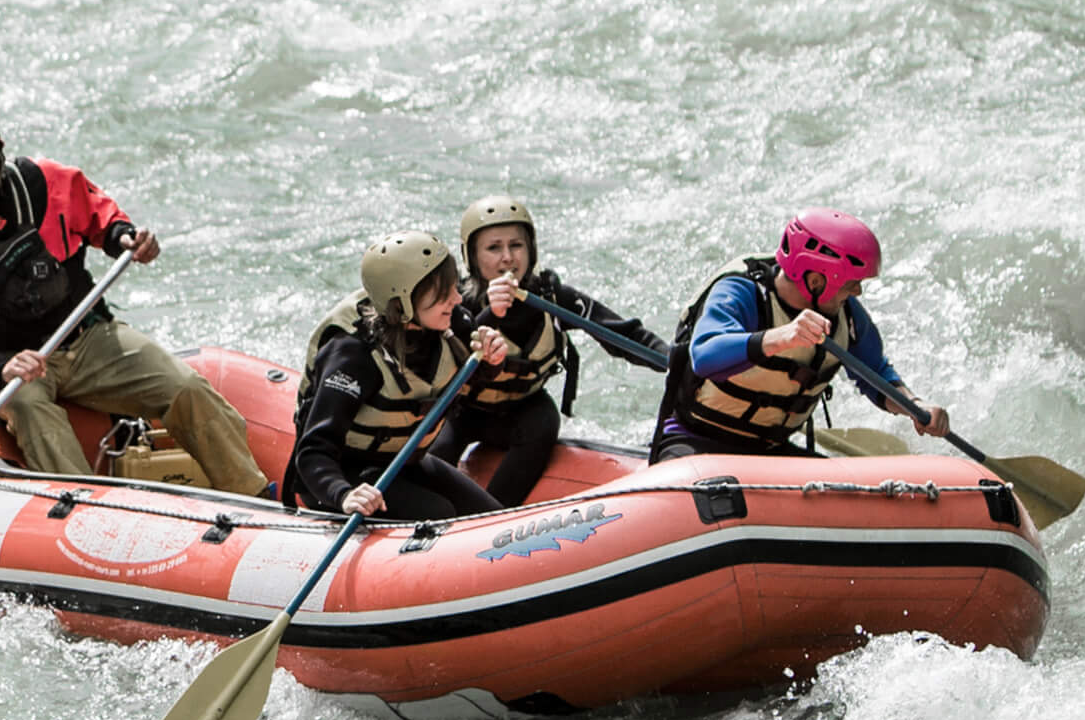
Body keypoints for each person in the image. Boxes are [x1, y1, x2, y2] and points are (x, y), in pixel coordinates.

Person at [0, 109, 269, 495]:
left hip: (85, 337)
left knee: (185, 388)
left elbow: (101, 215)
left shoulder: (44, 182)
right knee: (33, 412)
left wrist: (125, 238)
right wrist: (0, 367)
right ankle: (90, 513)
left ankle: (253, 491)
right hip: (12, 364)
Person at [650, 209, 950, 463]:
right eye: (851, 283)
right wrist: (782, 337)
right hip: (695, 442)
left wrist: (915, 405)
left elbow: (876, 373)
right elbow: (705, 356)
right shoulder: (743, 292)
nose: (857, 291)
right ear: (816, 280)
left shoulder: (847, 314)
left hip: (772, 452)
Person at [429, 196, 667, 507]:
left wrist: (675, 359)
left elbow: (620, 334)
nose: (507, 258)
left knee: (544, 421)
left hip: (522, 410)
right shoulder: (456, 302)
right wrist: (491, 314)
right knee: (433, 453)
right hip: (462, 411)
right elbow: (444, 352)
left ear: (531, 250)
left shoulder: (551, 297)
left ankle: (494, 513)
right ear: (472, 257)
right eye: (493, 248)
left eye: (516, 245)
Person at [284, 232, 507, 523]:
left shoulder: (452, 323)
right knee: (438, 514)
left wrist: (491, 360)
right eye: (443, 294)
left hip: (403, 463)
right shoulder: (353, 355)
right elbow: (313, 451)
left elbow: (475, 379)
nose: (457, 298)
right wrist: (343, 494)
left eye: (453, 287)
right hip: (342, 475)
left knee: (493, 518)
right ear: (402, 305)